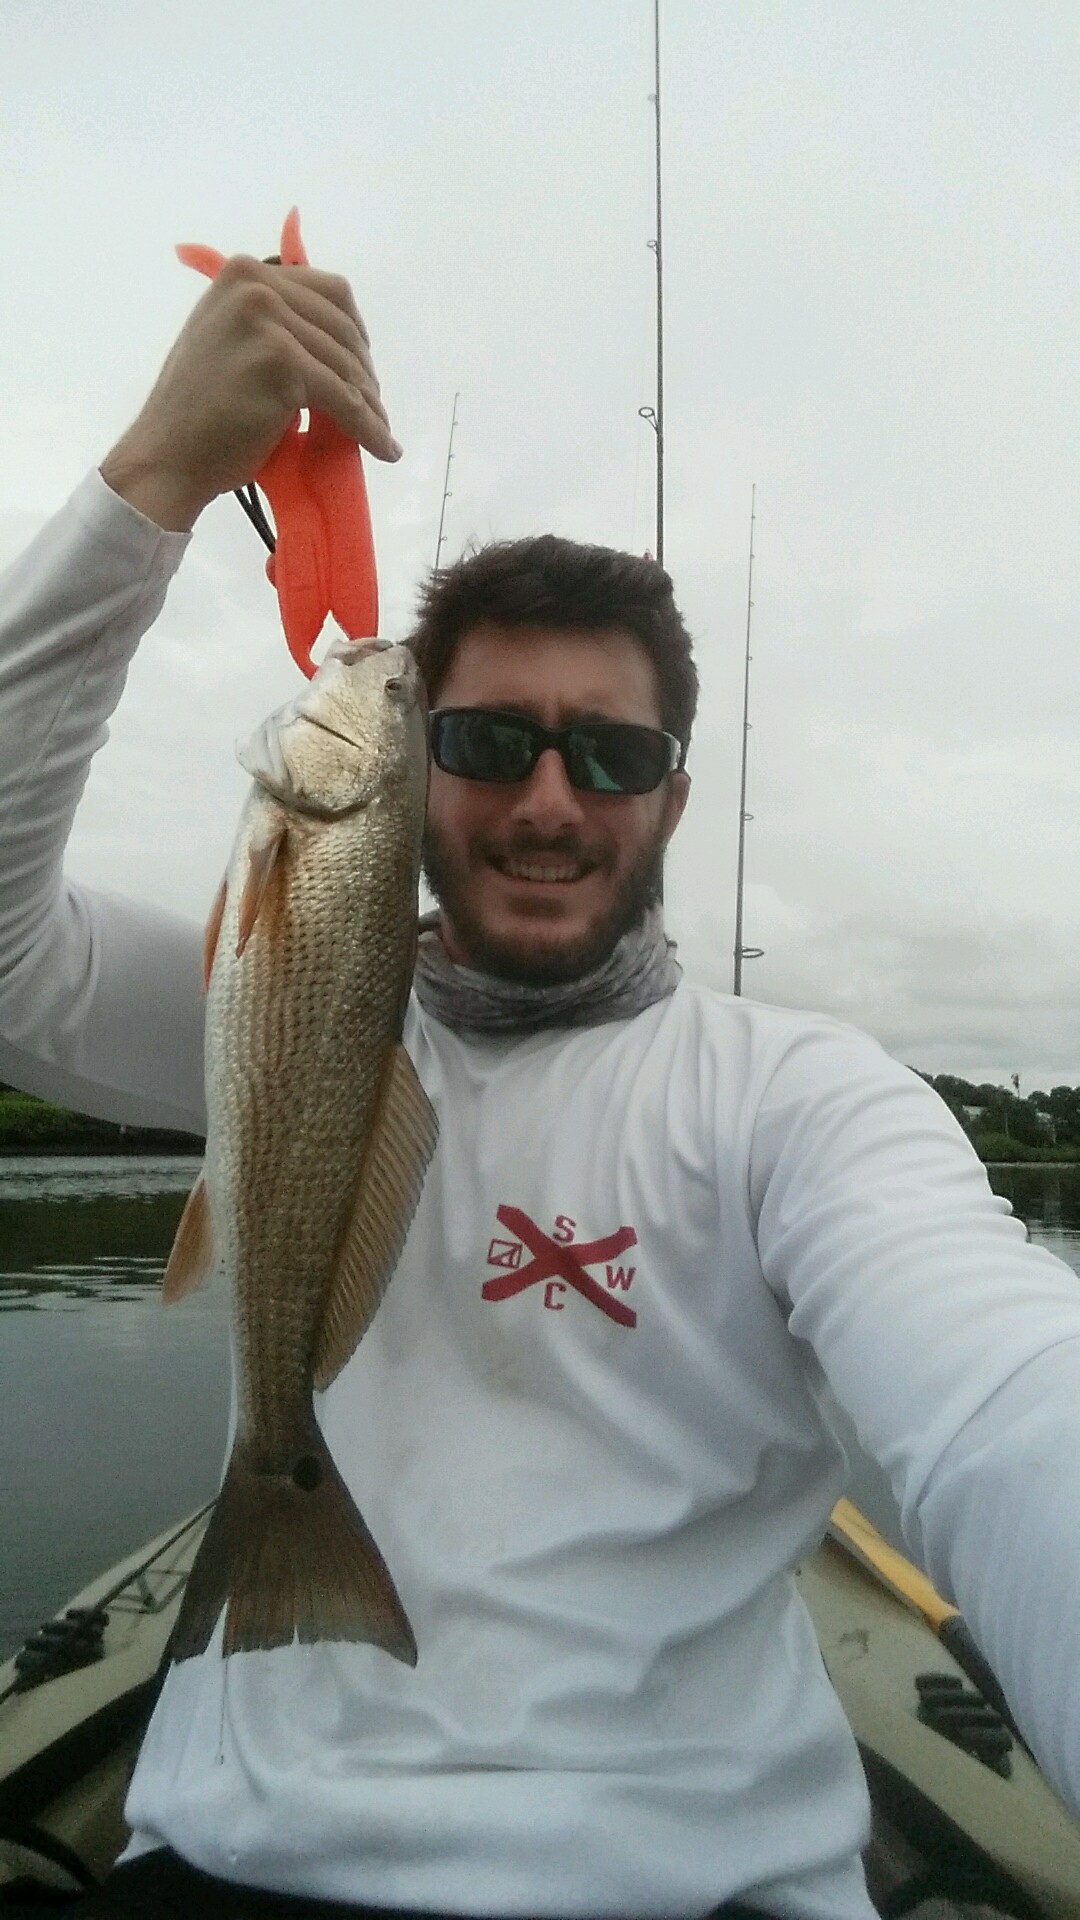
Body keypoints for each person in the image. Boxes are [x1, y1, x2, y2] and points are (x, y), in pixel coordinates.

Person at [1, 252, 1079, 1920]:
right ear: (419, 762)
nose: (550, 799)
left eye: (615, 753)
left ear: (674, 792)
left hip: (709, 1887)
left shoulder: (799, 1095)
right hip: (244, 1857)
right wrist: (147, 489)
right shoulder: (287, 1002)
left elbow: (1010, 1409)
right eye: (491, 742)